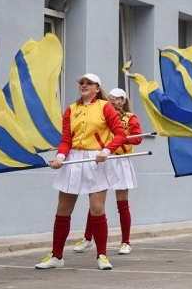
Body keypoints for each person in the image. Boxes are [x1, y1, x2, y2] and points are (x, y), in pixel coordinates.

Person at [35, 73, 128, 271]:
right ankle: (57, 256)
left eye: (89, 83)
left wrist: (106, 151)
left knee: (97, 209)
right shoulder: (71, 109)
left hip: (96, 160)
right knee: (62, 210)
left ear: (97, 88)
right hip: (74, 160)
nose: (84, 86)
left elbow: (120, 134)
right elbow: (66, 139)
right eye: (82, 83)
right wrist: (60, 157)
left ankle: (102, 255)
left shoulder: (105, 107)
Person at [71, 88, 143, 256]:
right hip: (104, 158)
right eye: (110, 99)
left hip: (120, 160)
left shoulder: (130, 117)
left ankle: (125, 242)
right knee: (96, 202)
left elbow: (138, 138)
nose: (113, 102)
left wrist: (119, 137)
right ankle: (88, 238)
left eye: (117, 99)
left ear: (123, 101)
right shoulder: (103, 113)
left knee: (122, 204)